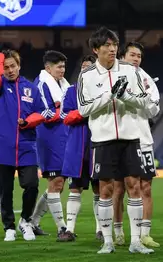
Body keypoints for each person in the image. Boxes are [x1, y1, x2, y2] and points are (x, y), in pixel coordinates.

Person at [78, 27, 158, 254]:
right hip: (103, 139)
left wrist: (126, 96)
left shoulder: (131, 71)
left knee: (134, 187)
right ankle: (108, 242)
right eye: (107, 46)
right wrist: (108, 96)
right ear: (96, 50)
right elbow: (83, 109)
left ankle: (135, 242)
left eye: (114, 45)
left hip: (130, 137)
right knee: (105, 191)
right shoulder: (87, 75)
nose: (112, 49)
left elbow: (146, 103)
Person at [0, 50, 46, 242]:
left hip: (27, 144)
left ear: (19, 66)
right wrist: (0, 55)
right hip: (4, 145)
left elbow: (41, 112)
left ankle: (25, 220)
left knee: (32, 185)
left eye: (13, 66)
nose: (10, 70)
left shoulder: (31, 88)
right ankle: (9, 227)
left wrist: (28, 122)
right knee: (6, 190)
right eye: (6, 67)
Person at [111, 42, 161, 247]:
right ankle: (119, 230)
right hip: (119, 139)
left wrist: (132, 100)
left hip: (143, 139)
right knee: (119, 188)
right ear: (122, 56)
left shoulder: (147, 79)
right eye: (132, 55)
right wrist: (138, 100)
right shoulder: (111, 76)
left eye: (139, 56)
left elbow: (153, 110)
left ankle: (144, 233)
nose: (136, 59)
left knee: (146, 187)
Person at [29, 51, 72, 241]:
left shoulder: (63, 85)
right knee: (56, 183)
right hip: (49, 137)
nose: (62, 70)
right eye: (58, 67)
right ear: (48, 68)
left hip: (63, 136)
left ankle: (33, 222)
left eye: (63, 66)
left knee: (59, 184)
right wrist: (67, 115)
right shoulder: (40, 84)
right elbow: (44, 113)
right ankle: (62, 228)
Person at [60, 55, 101, 240]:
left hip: (99, 145)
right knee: (75, 188)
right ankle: (69, 229)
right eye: (83, 67)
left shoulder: (103, 89)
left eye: (89, 67)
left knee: (100, 190)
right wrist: (86, 112)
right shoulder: (70, 91)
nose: (85, 70)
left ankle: (101, 229)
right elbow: (64, 116)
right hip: (77, 148)